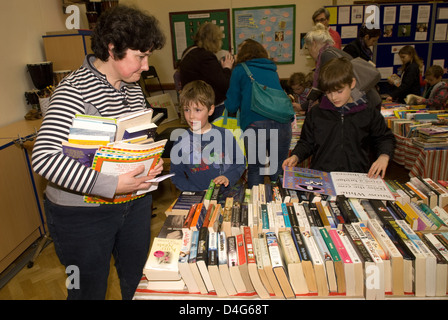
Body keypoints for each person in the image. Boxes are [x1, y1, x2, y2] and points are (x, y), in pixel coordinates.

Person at [31, 5, 165, 300]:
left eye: (147, 57)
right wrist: (111, 184)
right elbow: (43, 157)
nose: (145, 66)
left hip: (134, 204)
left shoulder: (132, 87)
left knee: (138, 282)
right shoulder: (73, 91)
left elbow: (138, 137)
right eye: (140, 56)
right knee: (86, 291)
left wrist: (149, 163)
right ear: (112, 47)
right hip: (83, 215)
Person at [282, 57, 396, 179]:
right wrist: (296, 156)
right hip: (322, 175)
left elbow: (385, 138)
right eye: (328, 93)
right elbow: (306, 142)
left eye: (339, 91)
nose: (334, 97)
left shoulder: (368, 112)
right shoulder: (316, 113)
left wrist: (384, 156)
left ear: (352, 83)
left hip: (357, 176)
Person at [225, 39, 292, 188]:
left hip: (255, 125)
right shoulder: (272, 69)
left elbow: (232, 104)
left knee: (256, 170)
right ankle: (281, 205)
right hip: (282, 123)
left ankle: (256, 208)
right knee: (278, 169)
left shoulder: (240, 69)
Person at [170, 80, 246, 191]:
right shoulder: (180, 142)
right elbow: (176, 175)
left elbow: (240, 162)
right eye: (187, 110)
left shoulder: (225, 135)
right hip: (198, 198)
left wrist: (227, 177)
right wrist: (195, 191)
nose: (191, 116)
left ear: (210, 110)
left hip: (226, 196)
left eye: (197, 110)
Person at [304, 23, 382, 110]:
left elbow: (331, 86)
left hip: (364, 104)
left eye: (307, 48)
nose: (309, 53)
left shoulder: (326, 56)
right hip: (368, 100)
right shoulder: (332, 52)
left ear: (313, 44)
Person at [179, 22, 234, 122]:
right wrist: (227, 68)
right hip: (208, 106)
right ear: (214, 40)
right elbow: (224, 84)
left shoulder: (188, 51)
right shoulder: (206, 57)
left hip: (192, 103)